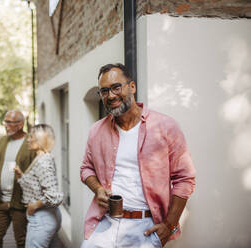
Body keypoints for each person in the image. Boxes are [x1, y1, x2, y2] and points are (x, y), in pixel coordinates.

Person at [80, 63, 196, 247]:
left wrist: (169, 225)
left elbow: (185, 179)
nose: (110, 95)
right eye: (104, 91)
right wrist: (98, 189)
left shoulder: (165, 127)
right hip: (104, 223)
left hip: (145, 228)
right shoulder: (96, 130)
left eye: (116, 87)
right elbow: (86, 168)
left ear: (132, 86)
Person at [0, 110, 37, 248]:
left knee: (22, 241)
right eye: (5, 122)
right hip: (0, 201)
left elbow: (36, 173)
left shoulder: (30, 143)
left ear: (20, 124)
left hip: (20, 203)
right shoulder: (2, 141)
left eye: (9, 122)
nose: (6, 125)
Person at [14, 124, 63, 248]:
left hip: (42, 218)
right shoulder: (41, 157)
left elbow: (54, 196)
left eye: (31, 137)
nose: (28, 140)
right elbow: (37, 185)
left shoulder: (43, 162)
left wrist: (34, 205)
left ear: (41, 140)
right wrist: (21, 175)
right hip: (49, 216)